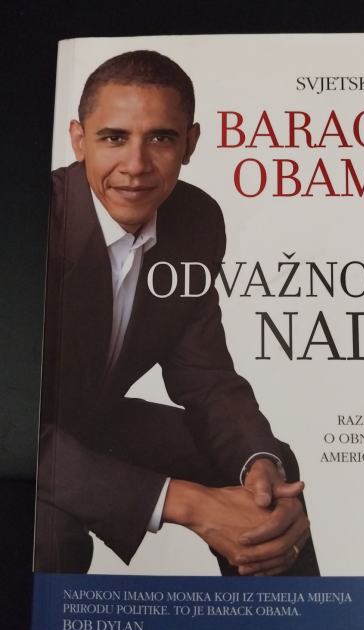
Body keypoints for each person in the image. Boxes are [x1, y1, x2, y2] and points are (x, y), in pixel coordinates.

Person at [34, 50, 319, 576]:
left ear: (190, 142)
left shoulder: (195, 219)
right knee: (48, 534)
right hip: (26, 441)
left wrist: (259, 463)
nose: (136, 166)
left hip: (95, 423)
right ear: (78, 139)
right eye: (113, 138)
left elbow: (205, 378)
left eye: (161, 138)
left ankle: (288, 624)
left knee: (265, 474)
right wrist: (187, 503)